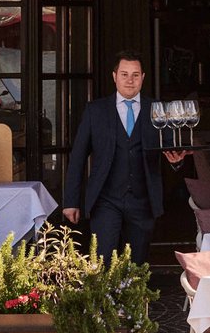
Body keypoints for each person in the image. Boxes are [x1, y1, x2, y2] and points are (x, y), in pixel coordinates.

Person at [63, 51, 186, 263]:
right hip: (105, 200)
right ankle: (105, 298)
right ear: (114, 76)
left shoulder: (156, 109)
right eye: (124, 74)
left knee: (137, 264)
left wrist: (177, 161)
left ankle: (133, 298)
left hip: (143, 200)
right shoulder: (95, 111)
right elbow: (78, 158)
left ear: (143, 78)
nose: (130, 80)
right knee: (103, 262)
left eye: (135, 75)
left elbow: (171, 148)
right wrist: (71, 201)